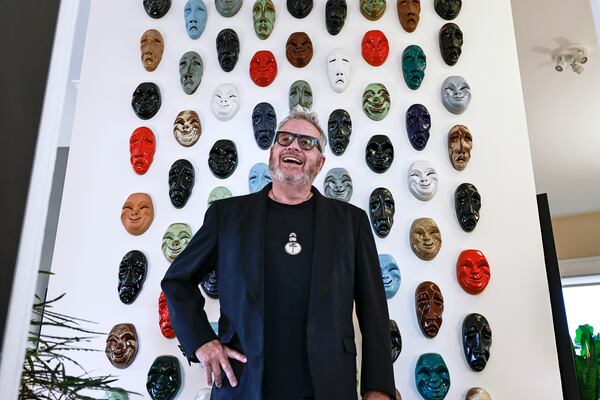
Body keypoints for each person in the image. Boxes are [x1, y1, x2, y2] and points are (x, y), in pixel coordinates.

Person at [161, 106, 395, 400]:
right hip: (244, 386)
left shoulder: (352, 222)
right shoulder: (227, 216)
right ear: (272, 152)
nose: (293, 146)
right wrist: (202, 342)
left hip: (328, 387)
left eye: (306, 142)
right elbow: (177, 280)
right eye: (284, 139)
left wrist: (378, 390)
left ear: (319, 163)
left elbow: (374, 313)